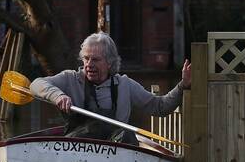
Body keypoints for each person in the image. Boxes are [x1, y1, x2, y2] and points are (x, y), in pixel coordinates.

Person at [30, 32, 191, 145]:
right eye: (86, 59)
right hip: (78, 148)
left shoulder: (125, 85)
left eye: (95, 60)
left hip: (116, 152)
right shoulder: (70, 78)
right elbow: (36, 84)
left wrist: (183, 85)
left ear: (109, 62)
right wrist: (58, 96)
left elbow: (160, 107)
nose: (89, 65)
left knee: (127, 135)